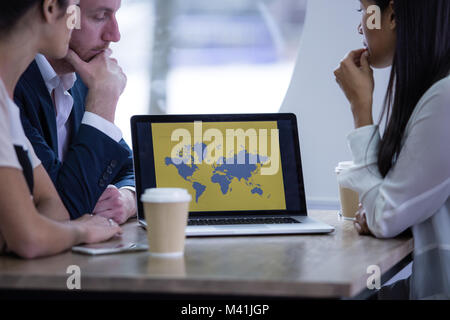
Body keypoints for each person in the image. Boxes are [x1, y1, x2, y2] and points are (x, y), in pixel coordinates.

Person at [334, 0, 450, 299]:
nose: (360, 25)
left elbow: (384, 216)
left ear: (394, 14)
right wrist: (396, 215)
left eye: (364, 10)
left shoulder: (444, 99)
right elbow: (393, 213)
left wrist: (361, 109)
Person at [0, 0, 122, 259]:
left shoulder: (5, 100)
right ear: (51, 7)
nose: (116, 36)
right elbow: (30, 238)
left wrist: (36, 227)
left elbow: (55, 209)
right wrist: (82, 230)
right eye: (76, 7)